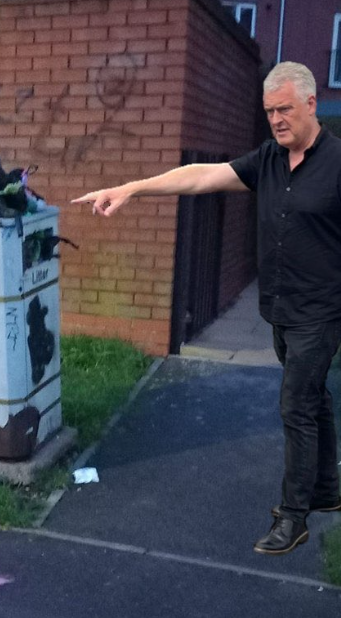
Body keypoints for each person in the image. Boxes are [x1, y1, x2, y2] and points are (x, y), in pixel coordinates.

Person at [71, 61, 341, 556]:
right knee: (314, 397)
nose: (277, 119)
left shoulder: (338, 164)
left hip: (322, 312)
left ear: (310, 103)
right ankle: (326, 487)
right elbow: (201, 177)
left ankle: (294, 517)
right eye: (269, 112)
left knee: (296, 406)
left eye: (284, 109)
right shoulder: (268, 160)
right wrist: (130, 188)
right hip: (280, 309)